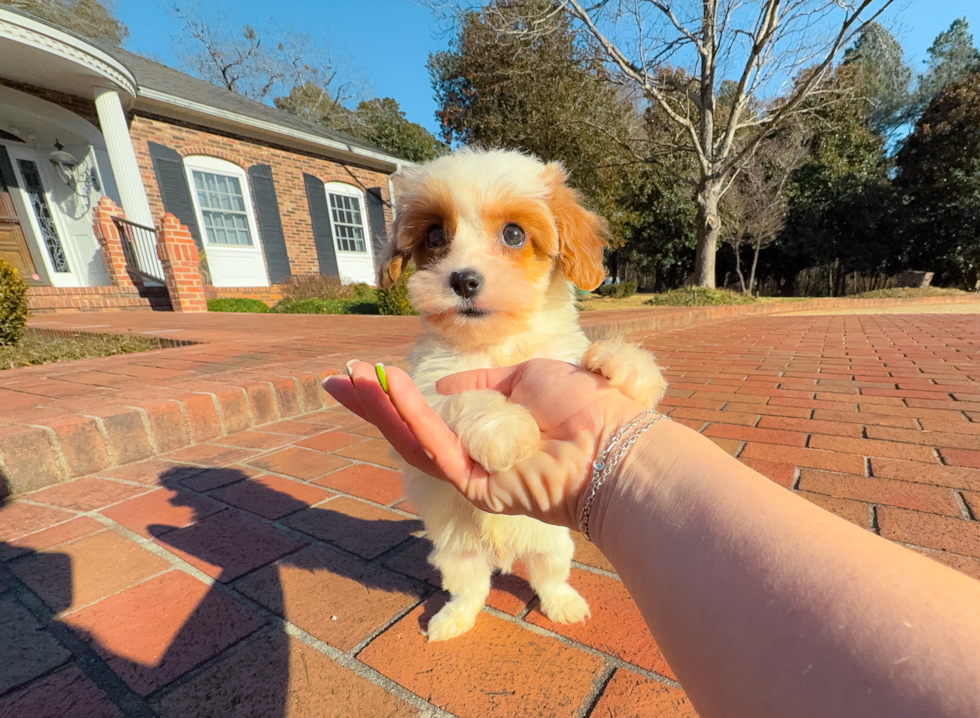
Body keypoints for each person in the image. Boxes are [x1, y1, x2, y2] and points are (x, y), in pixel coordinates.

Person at [326, 359, 980, 718]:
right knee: (457, 544)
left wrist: (613, 413)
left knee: (551, 552)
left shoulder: (557, 350)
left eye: (513, 236)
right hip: (463, 511)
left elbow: (591, 392)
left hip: (549, 511)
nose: (467, 267)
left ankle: (550, 585)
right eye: (437, 238)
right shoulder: (432, 361)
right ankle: (466, 600)